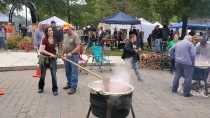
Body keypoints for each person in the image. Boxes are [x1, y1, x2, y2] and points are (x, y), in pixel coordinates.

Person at [38, 26, 58, 96]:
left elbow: (55, 49)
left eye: (51, 30)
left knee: (54, 75)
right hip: (44, 59)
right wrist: (50, 54)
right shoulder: (44, 39)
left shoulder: (54, 39)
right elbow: (41, 50)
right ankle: (40, 87)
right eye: (49, 30)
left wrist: (56, 54)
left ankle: (55, 89)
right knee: (42, 75)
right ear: (46, 32)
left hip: (53, 60)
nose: (51, 31)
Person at [62, 23, 81, 94]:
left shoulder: (75, 35)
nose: (66, 31)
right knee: (67, 71)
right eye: (65, 30)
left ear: (70, 28)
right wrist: (62, 54)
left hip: (74, 56)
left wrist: (71, 53)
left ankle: (73, 87)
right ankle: (69, 83)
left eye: (67, 29)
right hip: (66, 56)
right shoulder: (65, 36)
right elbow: (64, 46)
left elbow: (78, 46)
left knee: (74, 72)